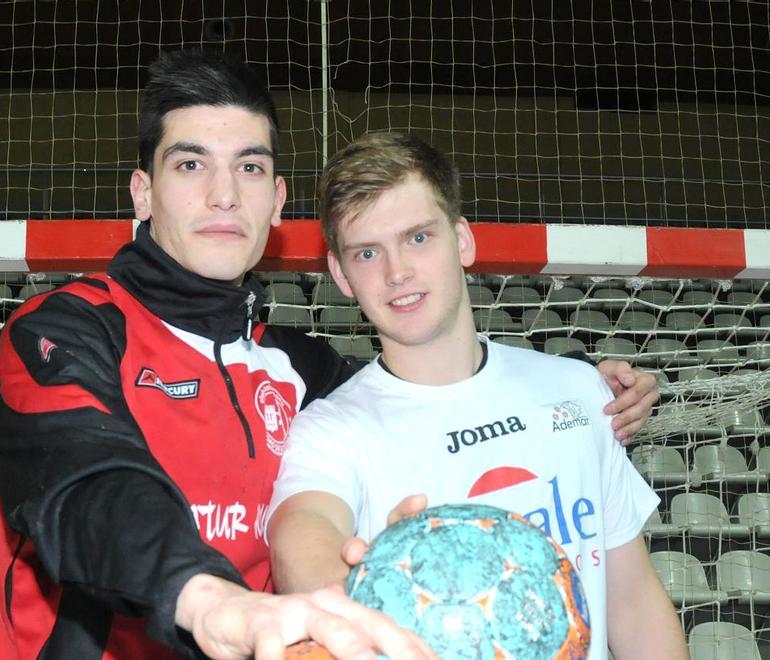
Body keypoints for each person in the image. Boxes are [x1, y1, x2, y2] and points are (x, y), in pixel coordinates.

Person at [0, 48, 655, 658]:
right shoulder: (66, 331)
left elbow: (431, 387)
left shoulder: (303, 368)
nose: (224, 195)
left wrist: (580, 391)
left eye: (249, 167)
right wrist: (211, 600)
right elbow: (92, 488)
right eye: (191, 165)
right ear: (142, 192)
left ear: (276, 201)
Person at [268, 132, 686, 659]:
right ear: (341, 275)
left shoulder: (578, 391)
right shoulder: (330, 430)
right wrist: (356, 579)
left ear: (462, 241)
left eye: (418, 238)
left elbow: (631, 601)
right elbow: (301, 536)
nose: (397, 273)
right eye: (367, 252)